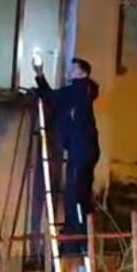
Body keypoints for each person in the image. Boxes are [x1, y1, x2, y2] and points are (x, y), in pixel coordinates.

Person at [33, 57, 100, 255]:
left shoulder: (76, 91)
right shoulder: (85, 91)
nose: (69, 72)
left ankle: (75, 240)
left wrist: (39, 74)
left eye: (73, 69)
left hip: (80, 150)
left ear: (82, 73)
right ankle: (81, 236)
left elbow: (50, 97)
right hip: (87, 149)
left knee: (74, 194)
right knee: (82, 192)